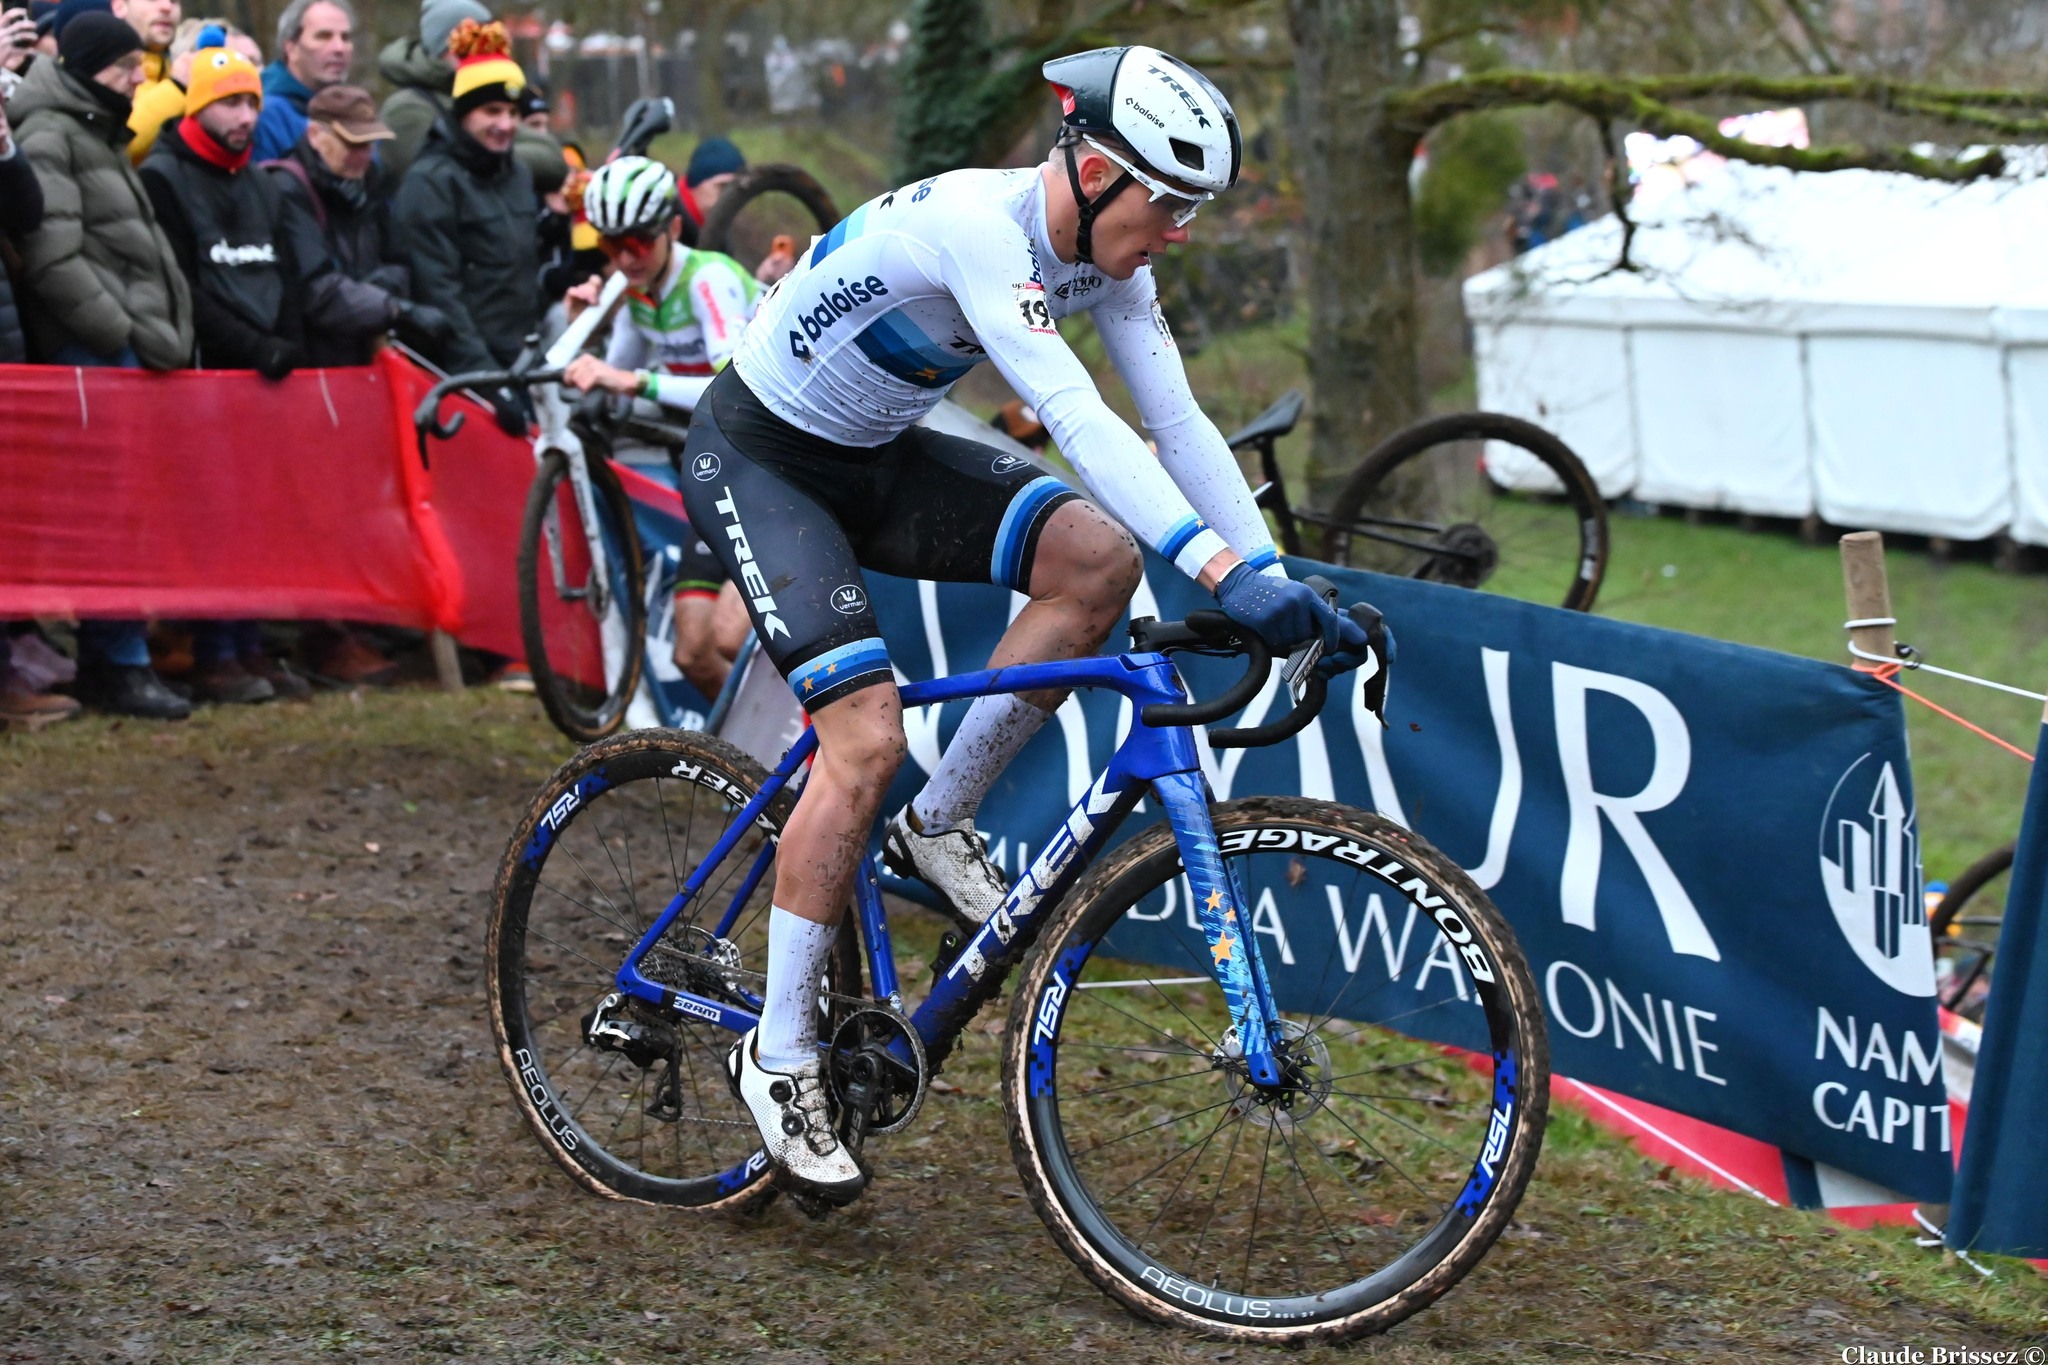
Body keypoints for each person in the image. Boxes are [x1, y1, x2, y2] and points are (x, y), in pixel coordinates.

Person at [682, 45, 1373, 1201]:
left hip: (875, 452)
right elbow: (1073, 415)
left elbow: (1179, 423)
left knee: (1093, 562)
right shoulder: (978, 228)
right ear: (1094, 169)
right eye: (1168, 203)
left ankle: (935, 826)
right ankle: (782, 1054)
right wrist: (1215, 570)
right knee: (860, 744)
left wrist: (1273, 573)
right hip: (763, 455)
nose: (1179, 232)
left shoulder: (1109, 262)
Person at [11, 7, 194, 718]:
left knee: (135, 507)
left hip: (131, 352)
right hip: (102, 356)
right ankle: (117, 662)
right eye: (124, 68)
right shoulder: (54, 131)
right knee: (111, 514)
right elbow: (52, 257)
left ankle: (126, 656)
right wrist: (122, 334)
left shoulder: (94, 129)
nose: (136, 78)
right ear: (91, 70)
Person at [140, 32, 316, 704]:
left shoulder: (264, 182)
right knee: (214, 516)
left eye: (251, 103)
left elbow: (286, 270)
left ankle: (250, 644)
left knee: (259, 516)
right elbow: (185, 286)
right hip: (211, 376)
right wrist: (253, 347)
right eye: (228, 104)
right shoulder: (165, 176)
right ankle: (214, 651)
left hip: (269, 378)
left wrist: (290, 344)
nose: (243, 117)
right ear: (197, 108)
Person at [562, 154, 759, 698]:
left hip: (776, 465)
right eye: (611, 246)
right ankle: (767, 764)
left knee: (729, 640)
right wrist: (577, 323)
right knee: (693, 653)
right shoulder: (637, 295)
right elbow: (602, 375)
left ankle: (823, 759)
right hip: (723, 472)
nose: (626, 258)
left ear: (673, 228)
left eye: (639, 244)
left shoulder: (708, 279)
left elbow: (733, 392)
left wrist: (634, 382)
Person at [392, 18, 537, 431]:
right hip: (465, 380)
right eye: (492, 111)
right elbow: (440, 291)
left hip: (522, 365)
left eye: (512, 112)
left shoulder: (517, 174)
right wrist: (487, 383)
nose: (506, 124)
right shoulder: (431, 182)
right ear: (464, 113)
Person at [265, 82, 450, 366]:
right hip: (313, 365)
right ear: (315, 135)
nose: (363, 156)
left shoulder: (370, 180)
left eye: (369, 144)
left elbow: (399, 260)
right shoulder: (287, 189)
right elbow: (317, 291)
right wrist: (393, 308)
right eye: (352, 144)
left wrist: (376, 290)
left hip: (362, 356)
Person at [376, 0, 560, 188]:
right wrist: (491, 152)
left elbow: (551, 157)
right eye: (474, 46)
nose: (486, 57)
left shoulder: (483, 95)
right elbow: (431, 177)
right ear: (445, 50)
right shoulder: (406, 108)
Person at [249, 0, 349, 162]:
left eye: (345, 37)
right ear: (291, 49)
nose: (339, 48)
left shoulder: (355, 109)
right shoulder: (266, 115)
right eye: (323, 36)